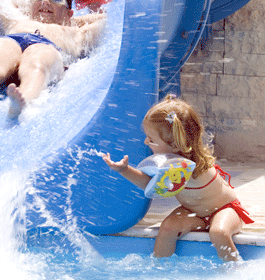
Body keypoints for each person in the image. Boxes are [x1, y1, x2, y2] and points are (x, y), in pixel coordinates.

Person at [102, 95, 254, 262]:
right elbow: (151, 184)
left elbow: (152, 184)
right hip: (194, 214)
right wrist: (124, 169)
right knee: (167, 228)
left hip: (225, 210)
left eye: (151, 139)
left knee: (219, 233)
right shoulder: (172, 164)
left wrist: (125, 170)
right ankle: (160, 267)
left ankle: (235, 270)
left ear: (175, 145)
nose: (146, 142)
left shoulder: (189, 166)